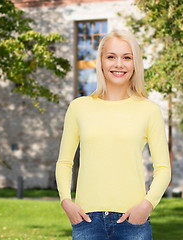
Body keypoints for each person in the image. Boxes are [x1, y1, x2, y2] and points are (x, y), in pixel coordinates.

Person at [55, 30, 171, 240]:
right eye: (111, 57)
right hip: (86, 221)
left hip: (133, 221)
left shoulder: (149, 110)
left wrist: (146, 206)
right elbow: (64, 162)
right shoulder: (79, 107)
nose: (119, 64)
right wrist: (66, 201)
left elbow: (163, 169)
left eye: (127, 57)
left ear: (135, 63)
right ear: (100, 61)